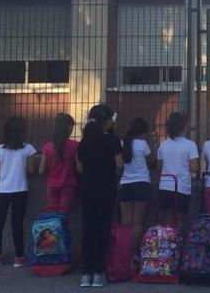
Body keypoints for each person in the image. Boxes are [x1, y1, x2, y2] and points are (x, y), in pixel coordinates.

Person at [76, 108, 124, 287]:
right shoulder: (112, 140)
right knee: (103, 229)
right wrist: (114, 179)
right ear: (105, 121)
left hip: (87, 189)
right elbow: (119, 164)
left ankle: (85, 273)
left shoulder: (84, 142)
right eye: (111, 119)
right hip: (106, 189)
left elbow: (79, 168)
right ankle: (98, 272)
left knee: (87, 230)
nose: (113, 122)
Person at [0, 117, 38, 268]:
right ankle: (19, 256)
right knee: (17, 223)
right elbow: (31, 170)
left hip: (3, 190)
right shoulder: (28, 149)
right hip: (20, 189)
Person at [156, 112, 199, 228]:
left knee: (167, 220)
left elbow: (159, 166)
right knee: (180, 220)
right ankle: (177, 243)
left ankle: (167, 244)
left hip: (164, 186)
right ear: (184, 127)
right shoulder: (190, 145)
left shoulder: (163, 145)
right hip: (182, 187)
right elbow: (194, 167)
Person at [118, 118, 156, 244]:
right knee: (138, 223)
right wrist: (152, 142)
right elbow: (151, 161)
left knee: (126, 222)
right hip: (142, 184)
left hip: (125, 185)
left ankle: (124, 252)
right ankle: (133, 251)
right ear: (143, 132)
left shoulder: (122, 143)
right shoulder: (142, 144)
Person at [40, 113, 78, 214]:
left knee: (53, 217)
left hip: (52, 185)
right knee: (63, 217)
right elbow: (80, 168)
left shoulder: (47, 146)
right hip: (68, 185)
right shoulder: (75, 145)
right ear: (69, 127)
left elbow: (41, 170)